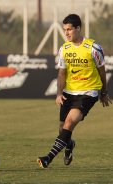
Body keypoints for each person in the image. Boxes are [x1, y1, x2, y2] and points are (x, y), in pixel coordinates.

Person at [37, 14, 111, 168]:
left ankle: (47, 158)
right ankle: (69, 145)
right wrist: (59, 93)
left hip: (88, 93)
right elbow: (61, 73)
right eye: (65, 30)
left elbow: (102, 72)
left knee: (69, 123)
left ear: (78, 28)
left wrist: (103, 93)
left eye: (69, 29)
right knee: (62, 130)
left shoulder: (93, 48)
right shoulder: (64, 49)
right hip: (69, 92)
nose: (67, 33)